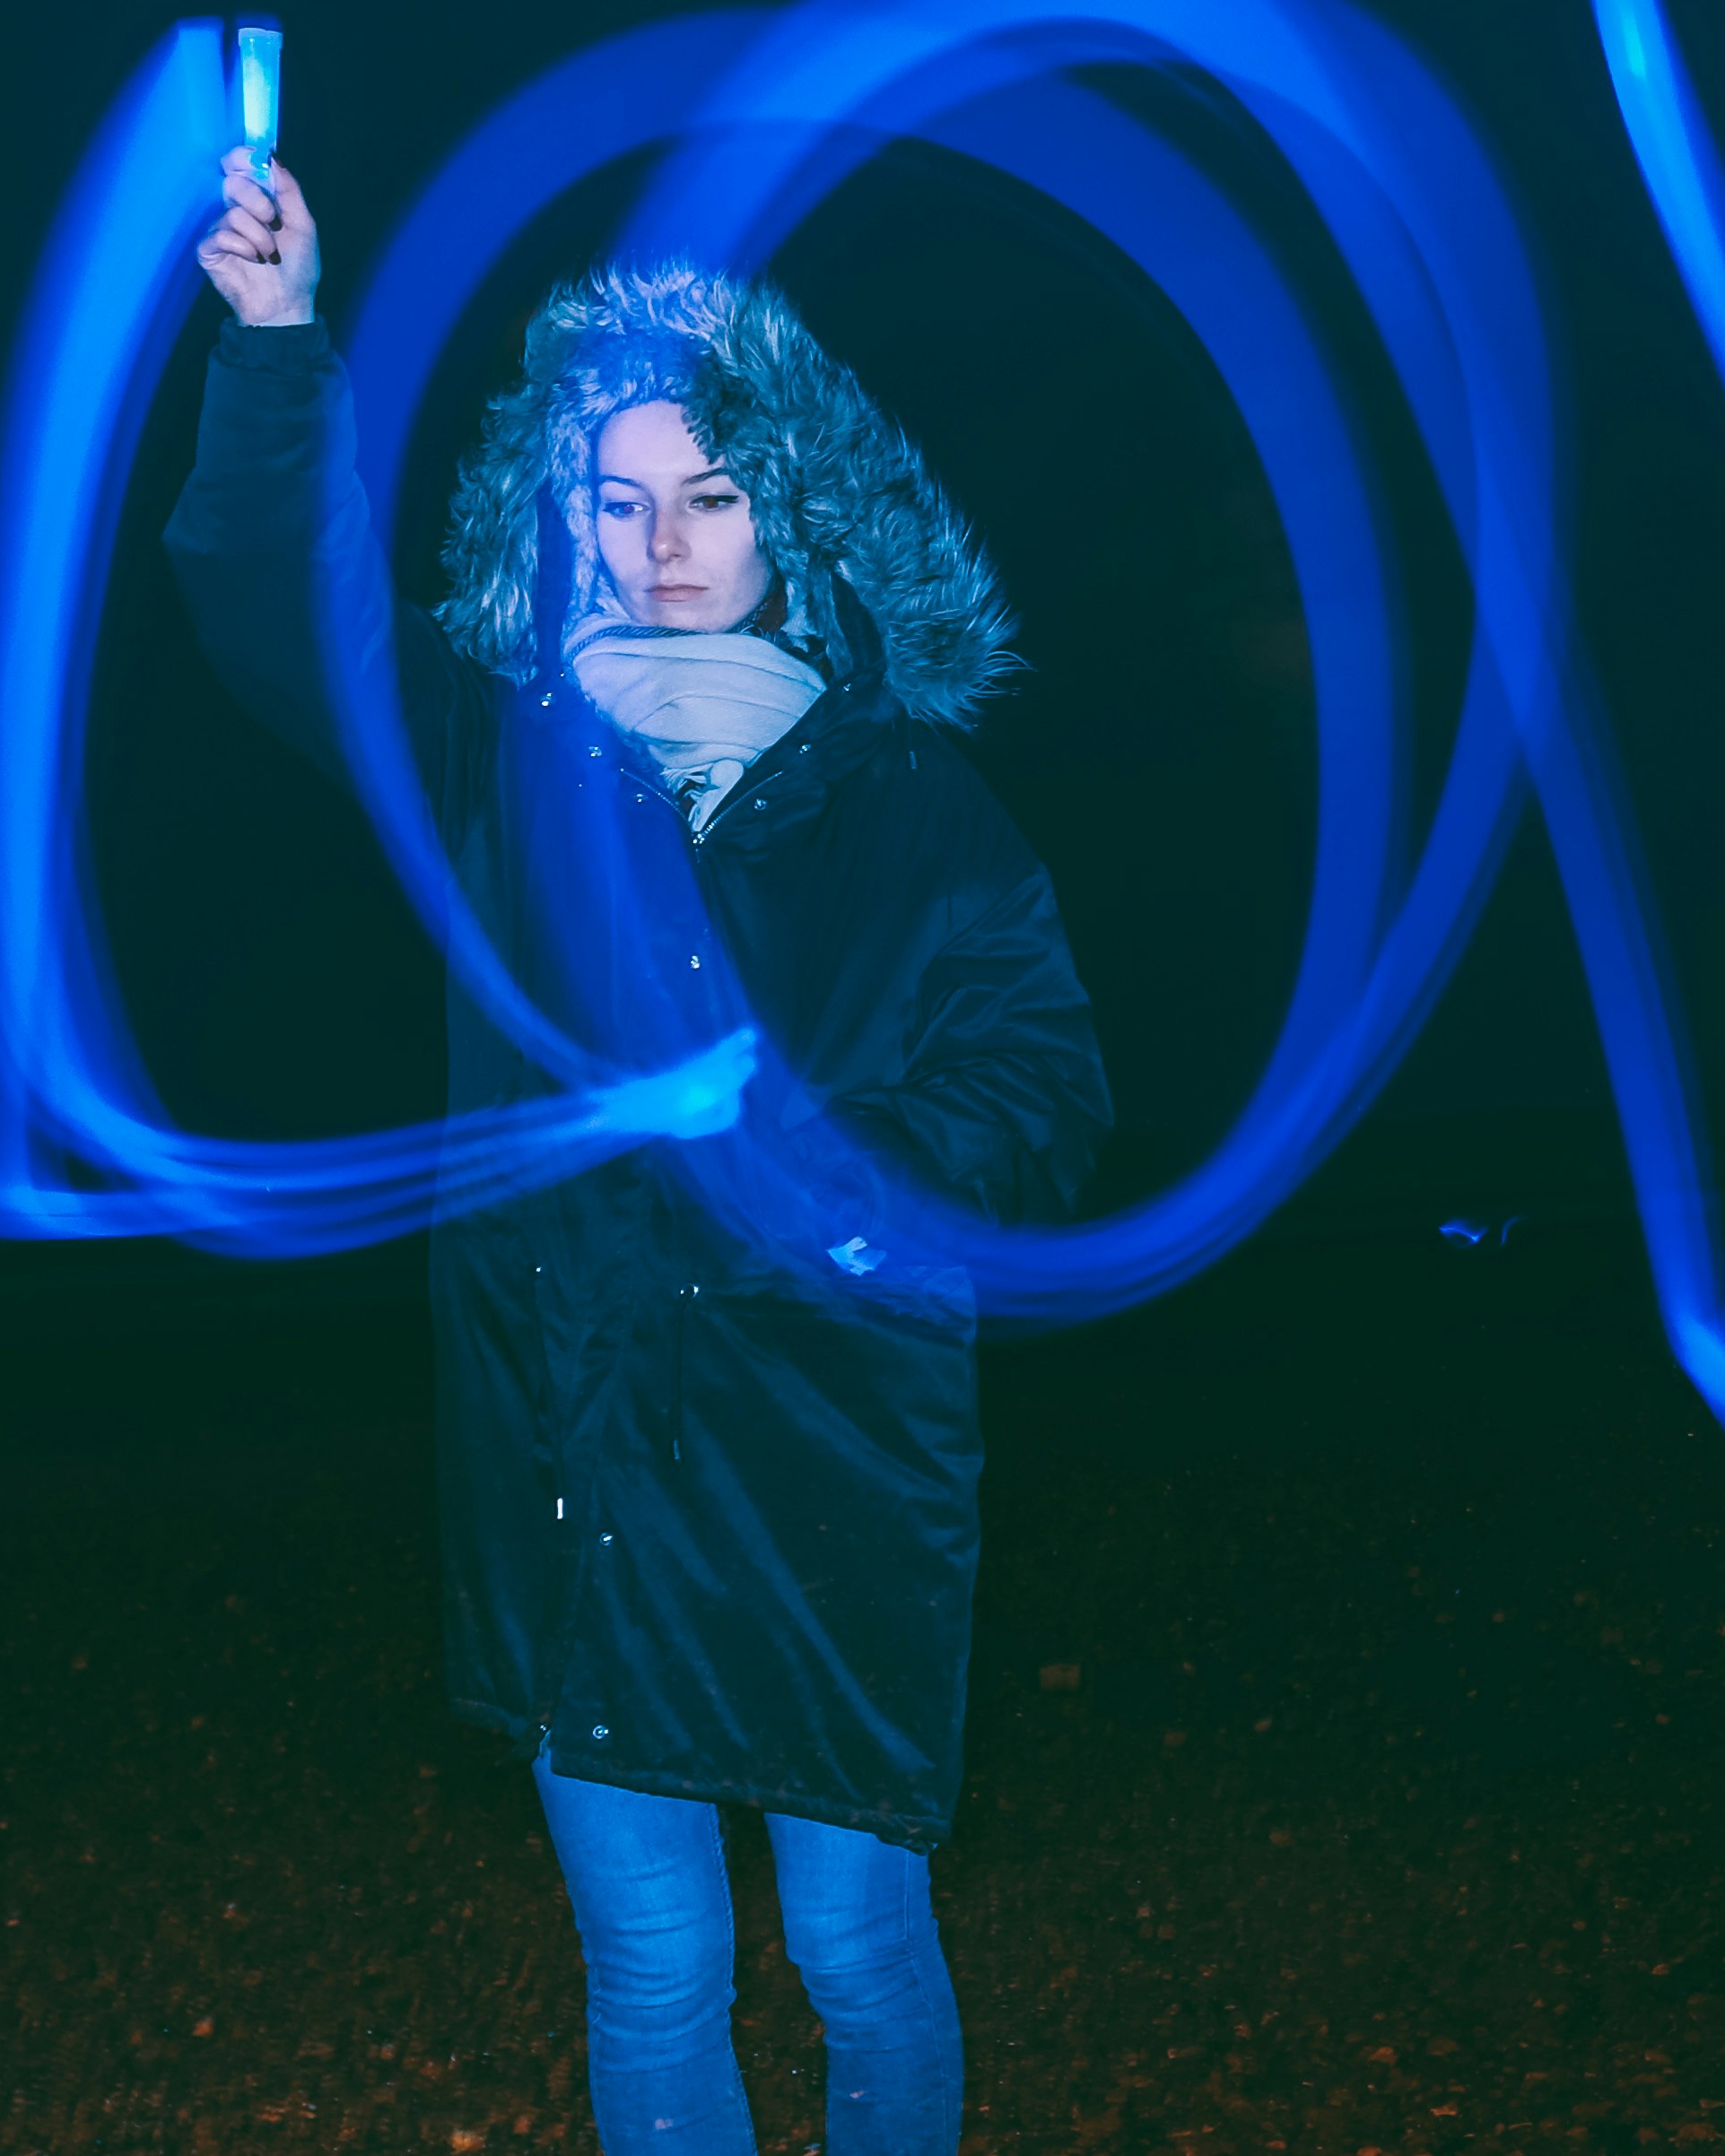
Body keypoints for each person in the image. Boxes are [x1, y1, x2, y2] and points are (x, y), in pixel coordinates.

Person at [169, 146, 1109, 2156]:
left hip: (834, 1452)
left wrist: (833, 1176)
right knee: (656, 1966)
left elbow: (1044, 1086)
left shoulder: (912, 809)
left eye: (709, 494)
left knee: (857, 1951)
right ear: (564, 524)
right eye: (617, 501)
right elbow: (283, 617)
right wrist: (273, 345)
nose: (665, 545)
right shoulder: (499, 775)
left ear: (793, 510)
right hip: (580, 1455)